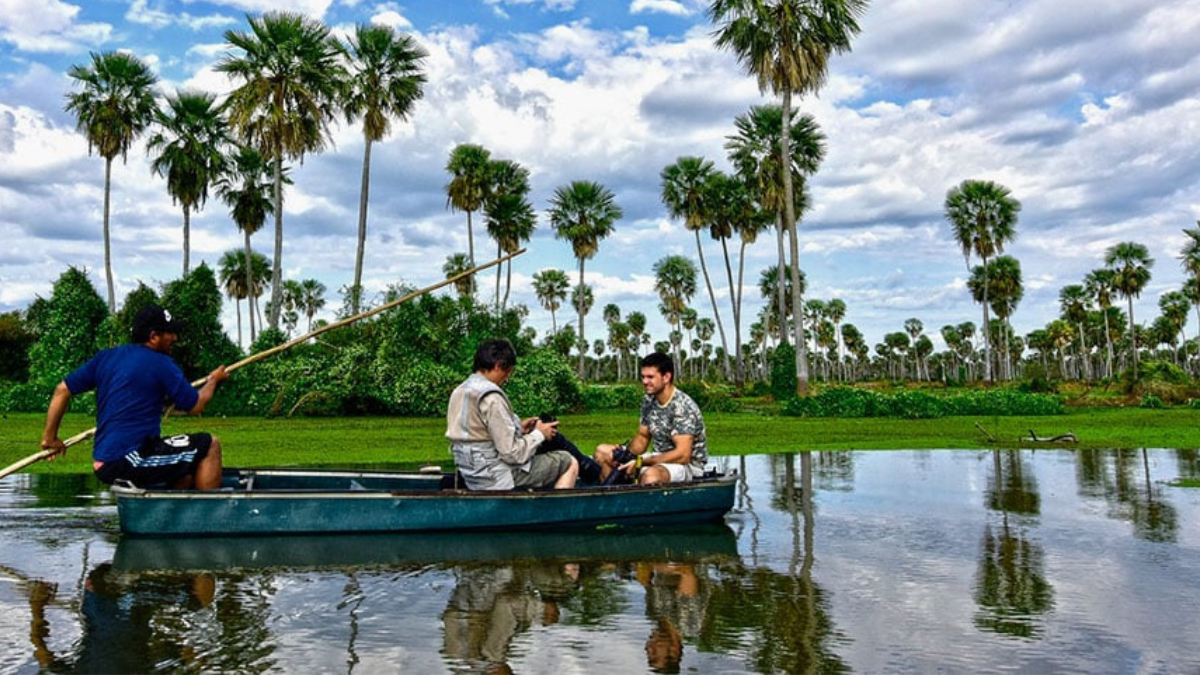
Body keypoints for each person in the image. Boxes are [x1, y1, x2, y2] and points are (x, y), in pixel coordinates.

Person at [39, 304, 229, 490]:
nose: (175, 338)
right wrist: (214, 380)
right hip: (130, 459)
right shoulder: (161, 362)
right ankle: (211, 516)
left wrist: (50, 438)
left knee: (185, 476)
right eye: (169, 333)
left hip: (103, 461)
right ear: (154, 336)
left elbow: (61, 390)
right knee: (210, 444)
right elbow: (196, 405)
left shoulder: (106, 357)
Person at [446, 338, 578, 490]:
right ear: (497, 366)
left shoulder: (460, 391)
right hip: (496, 477)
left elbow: (479, 434)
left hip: (472, 475)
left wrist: (519, 429)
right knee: (568, 461)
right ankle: (557, 513)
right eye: (507, 372)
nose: (507, 379)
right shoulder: (492, 398)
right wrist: (539, 434)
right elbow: (513, 454)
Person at [595, 352, 707, 486]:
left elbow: (683, 455)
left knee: (651, 475)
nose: (645, 382)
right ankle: (613, 499)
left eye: (650, 377)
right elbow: (643, 437)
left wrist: (641, 462)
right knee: (602, 452)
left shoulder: (682, 407)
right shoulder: (649, 400)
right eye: (643, 377)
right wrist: (625, 455)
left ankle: (636, 499)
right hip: (657, 457)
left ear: (666, 377)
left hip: (685, 466)